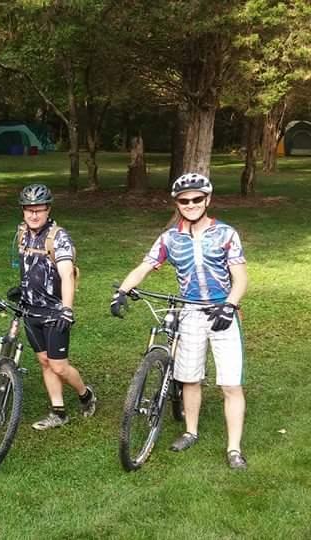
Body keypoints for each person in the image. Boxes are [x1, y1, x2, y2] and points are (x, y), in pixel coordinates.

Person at [111, 173, 248, 470]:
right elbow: (145, 266)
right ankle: (190, 431)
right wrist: (122, 291)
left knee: (231, 384)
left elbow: (240, 278)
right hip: (190, 313)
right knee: (189, 377)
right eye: (184, 201)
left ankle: (234, 449)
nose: (191, 204)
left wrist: (229, 305)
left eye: (197, 199)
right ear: (177, 204)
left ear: (207, 200)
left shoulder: (226, 234)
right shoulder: (169, 238)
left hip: (222, 312)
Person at [11, 184, 96, 431]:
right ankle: (58, 411)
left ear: (48, 209)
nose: (33, 215)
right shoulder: (23, 233)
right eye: (29, 210)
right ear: (23, 211)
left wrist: (67, 309)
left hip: (54, 312)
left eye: (38, 210)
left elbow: (67, 274)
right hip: (31, 310)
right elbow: (29, 266)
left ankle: (85, 394)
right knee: (44, 362)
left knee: (59, 365)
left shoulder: (59, 237)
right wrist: (23, 289)